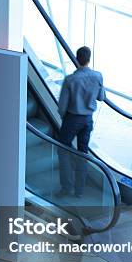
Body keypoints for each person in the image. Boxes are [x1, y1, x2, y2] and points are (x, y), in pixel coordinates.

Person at [55, 46, 106, 198]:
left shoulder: (70, 79)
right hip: (87, 120)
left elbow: (62, 106)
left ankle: (66, 188)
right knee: (83, 152)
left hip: (72, 118)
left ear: (77, 59)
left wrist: (65, 117)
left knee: (62, 150)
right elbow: (101, 97)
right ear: (89, 59)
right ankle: (79, 190)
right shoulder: (98, 76)